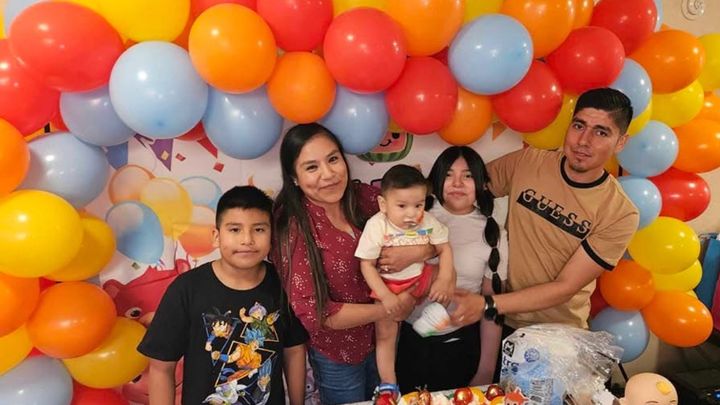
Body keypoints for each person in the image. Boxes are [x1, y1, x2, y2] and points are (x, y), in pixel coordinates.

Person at [450, 88, 640, 346]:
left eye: (601, 132)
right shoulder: (528, 161)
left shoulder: (620, 213)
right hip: (496, 320)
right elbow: (459, 191)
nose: (583, 141)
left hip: (557, 335)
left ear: (621, 142)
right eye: (579, 126)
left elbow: (565, 286)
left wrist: (487, 303)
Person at [271, 123, 432, 405]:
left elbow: (429, 231)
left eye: (333, 159)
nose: (328, 174)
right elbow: (316, 313)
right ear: (294, 178)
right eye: (312, 167)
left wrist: (417, 252)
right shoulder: (292, 227)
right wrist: (391, 307)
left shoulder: (366, 199)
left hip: (385, 341)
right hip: (339, 356)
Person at [137, 186, 309, 405]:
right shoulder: (187, 288)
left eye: (259, 229)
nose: (247, 239)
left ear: (271, 235)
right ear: (216, 236)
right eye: (235, 229)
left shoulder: (284, 282)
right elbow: (161, 367)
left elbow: (294, 351)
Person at [395, 147, 508, 392]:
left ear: (482, 183)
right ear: (436, 179)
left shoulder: (494, 233)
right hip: (409, 342)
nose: (457, 183)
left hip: (460, 346)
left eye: (467, 176)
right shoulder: (415, 216)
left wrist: (486, 370)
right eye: (448, 174)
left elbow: (492, 306)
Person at [355, 164, 455, 388]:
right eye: (402, 206)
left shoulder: (427, 220)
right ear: (383, 204)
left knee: (447, 277)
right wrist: (385, 296)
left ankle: (432, 317)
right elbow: (366, 265)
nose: (411, 213)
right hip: (390, 285)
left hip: (421, 278)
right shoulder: (377, 225)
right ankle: (388, 382)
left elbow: (444, 248)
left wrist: (444, 278)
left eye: (418, 205)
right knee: (386, 335)